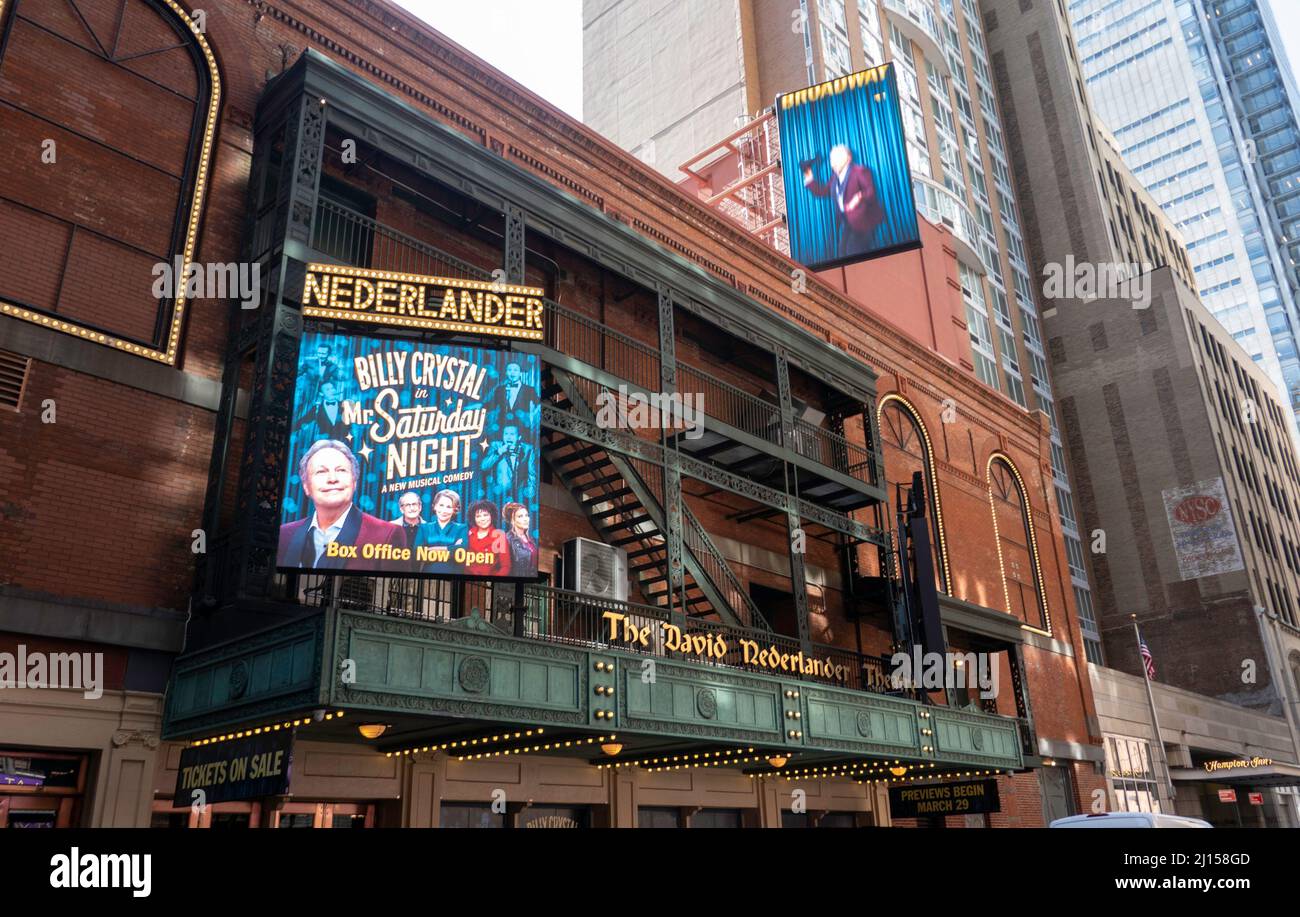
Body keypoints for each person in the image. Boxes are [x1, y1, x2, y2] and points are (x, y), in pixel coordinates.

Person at [277, 440, 405, 571]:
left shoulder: (386, 534)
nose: (332, 479)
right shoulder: (284, 534)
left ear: (354, 482)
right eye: (321, 472)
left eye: (341, 470)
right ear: (306, 486)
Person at [801, 144, 886, 259]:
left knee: (854, 254)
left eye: (834, 159)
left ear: (846, 158)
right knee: (842, 253)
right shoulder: (835, 177)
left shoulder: (859, 171)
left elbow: (871, 192)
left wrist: (859, 197)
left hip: (863, 222)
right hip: (848, 223)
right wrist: (809, 176)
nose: (832, 163)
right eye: (831, 160)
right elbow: (822, 191)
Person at [478, 424, 537, 506]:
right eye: (506, 434)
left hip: (519, 496)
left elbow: (532, 473)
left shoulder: (528, 449)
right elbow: (484, 466)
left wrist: (531, 492)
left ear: (519, 437)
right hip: (498, 494)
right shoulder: (496, 446)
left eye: (512, 434)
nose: (508, 437)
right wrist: (499, 452)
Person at [414, 489, 469, 575]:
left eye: (449, 507)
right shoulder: (424, 528)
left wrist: (432, 550)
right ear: (435, 506)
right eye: (441, 505)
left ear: (455, 509)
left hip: (454, 575)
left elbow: (461, 551)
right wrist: (451, 548)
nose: (444, 510)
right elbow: (418, 553)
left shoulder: (462, 528)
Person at [487, 361, 539, 433]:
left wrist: (530, 417)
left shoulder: (529, 389)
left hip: (522, 428)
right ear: (506, 372)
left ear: (520, 373)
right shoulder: (500, 389)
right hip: (502, 428)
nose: (512, 373)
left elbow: (538, 404)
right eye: (509, 370)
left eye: (515, 370)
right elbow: (491, 405)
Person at [463, 500, 510, 578]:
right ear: (473, 518)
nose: (482, 519)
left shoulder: (499, 535)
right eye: (478, 516)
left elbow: (506, 566)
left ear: (491, 516)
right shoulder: (468, 533)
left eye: (485, 515)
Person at [297, 380, 351, 445]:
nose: (332, 391)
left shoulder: (345, 406)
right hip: (324, 446)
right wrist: (303, 426)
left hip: (344, 445)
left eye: (333, 388)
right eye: (328, 389)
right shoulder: (317, 408)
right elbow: (301, 422)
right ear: (321, 394)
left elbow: (352, 425)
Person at [501, 502, 538, 576]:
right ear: (512, 520)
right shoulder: (507, 539)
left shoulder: (531, 540)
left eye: (526, 515)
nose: (525, 519)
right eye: (520, 516)